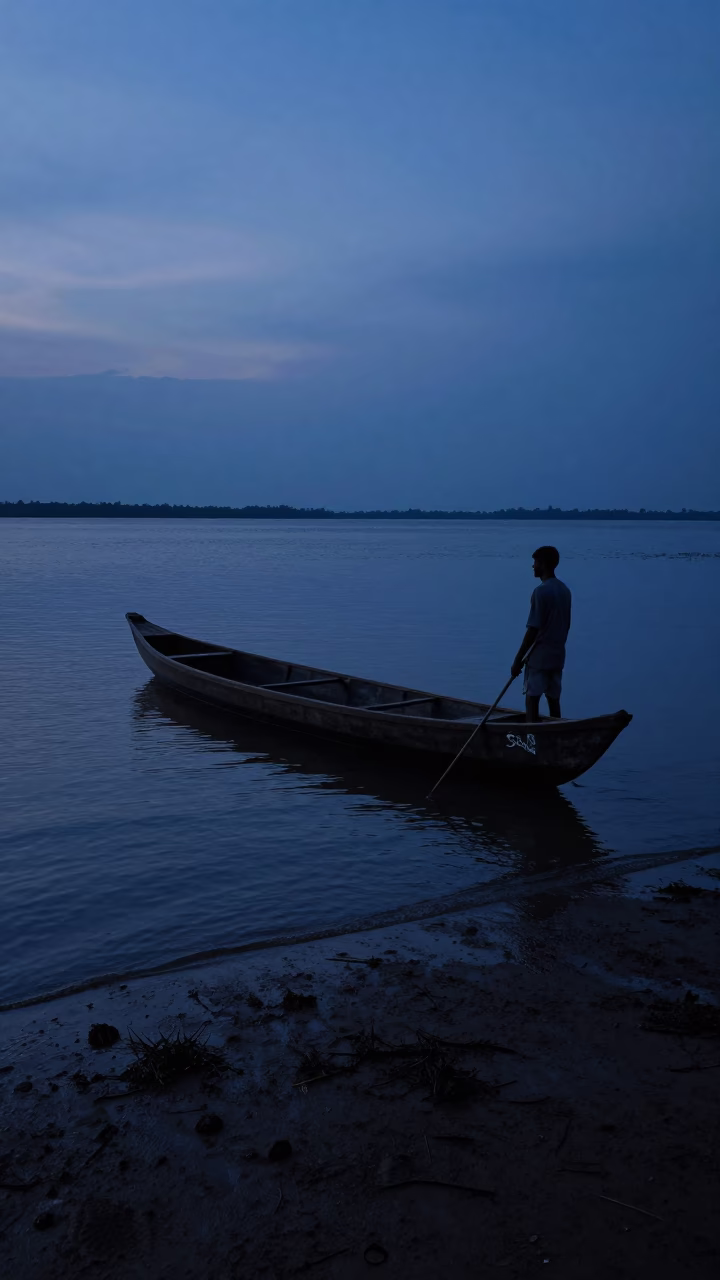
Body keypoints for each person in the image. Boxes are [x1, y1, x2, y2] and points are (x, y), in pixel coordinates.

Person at [511, 545, 571, 722]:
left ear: (543, 564)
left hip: (539, 657)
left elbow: (533, 629)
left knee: (532, 699)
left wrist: (517, 660)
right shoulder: (565, 590)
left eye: (535, 562)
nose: (533, 566)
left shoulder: (541, 592)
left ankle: (532, 738)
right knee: (554, 699)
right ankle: (557, 734)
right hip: (558, 656)